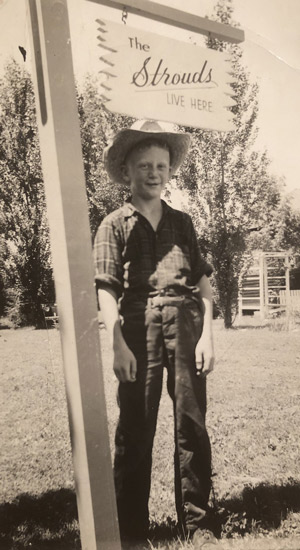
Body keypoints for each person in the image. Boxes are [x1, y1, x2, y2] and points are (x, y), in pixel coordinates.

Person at [93, 119, 215, 545]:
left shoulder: (183, 222)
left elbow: (202, 282)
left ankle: (198, 524)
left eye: (160, 166)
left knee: (192, 423)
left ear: (169, 170)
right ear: (127, 171)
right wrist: (116, 343)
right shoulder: (114, 224)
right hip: (138, 328)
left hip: (185, 324)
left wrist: (207, 335)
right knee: (136, 425)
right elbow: (105, 288)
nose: (153, 173)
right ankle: (130, 531)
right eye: (144, 165)